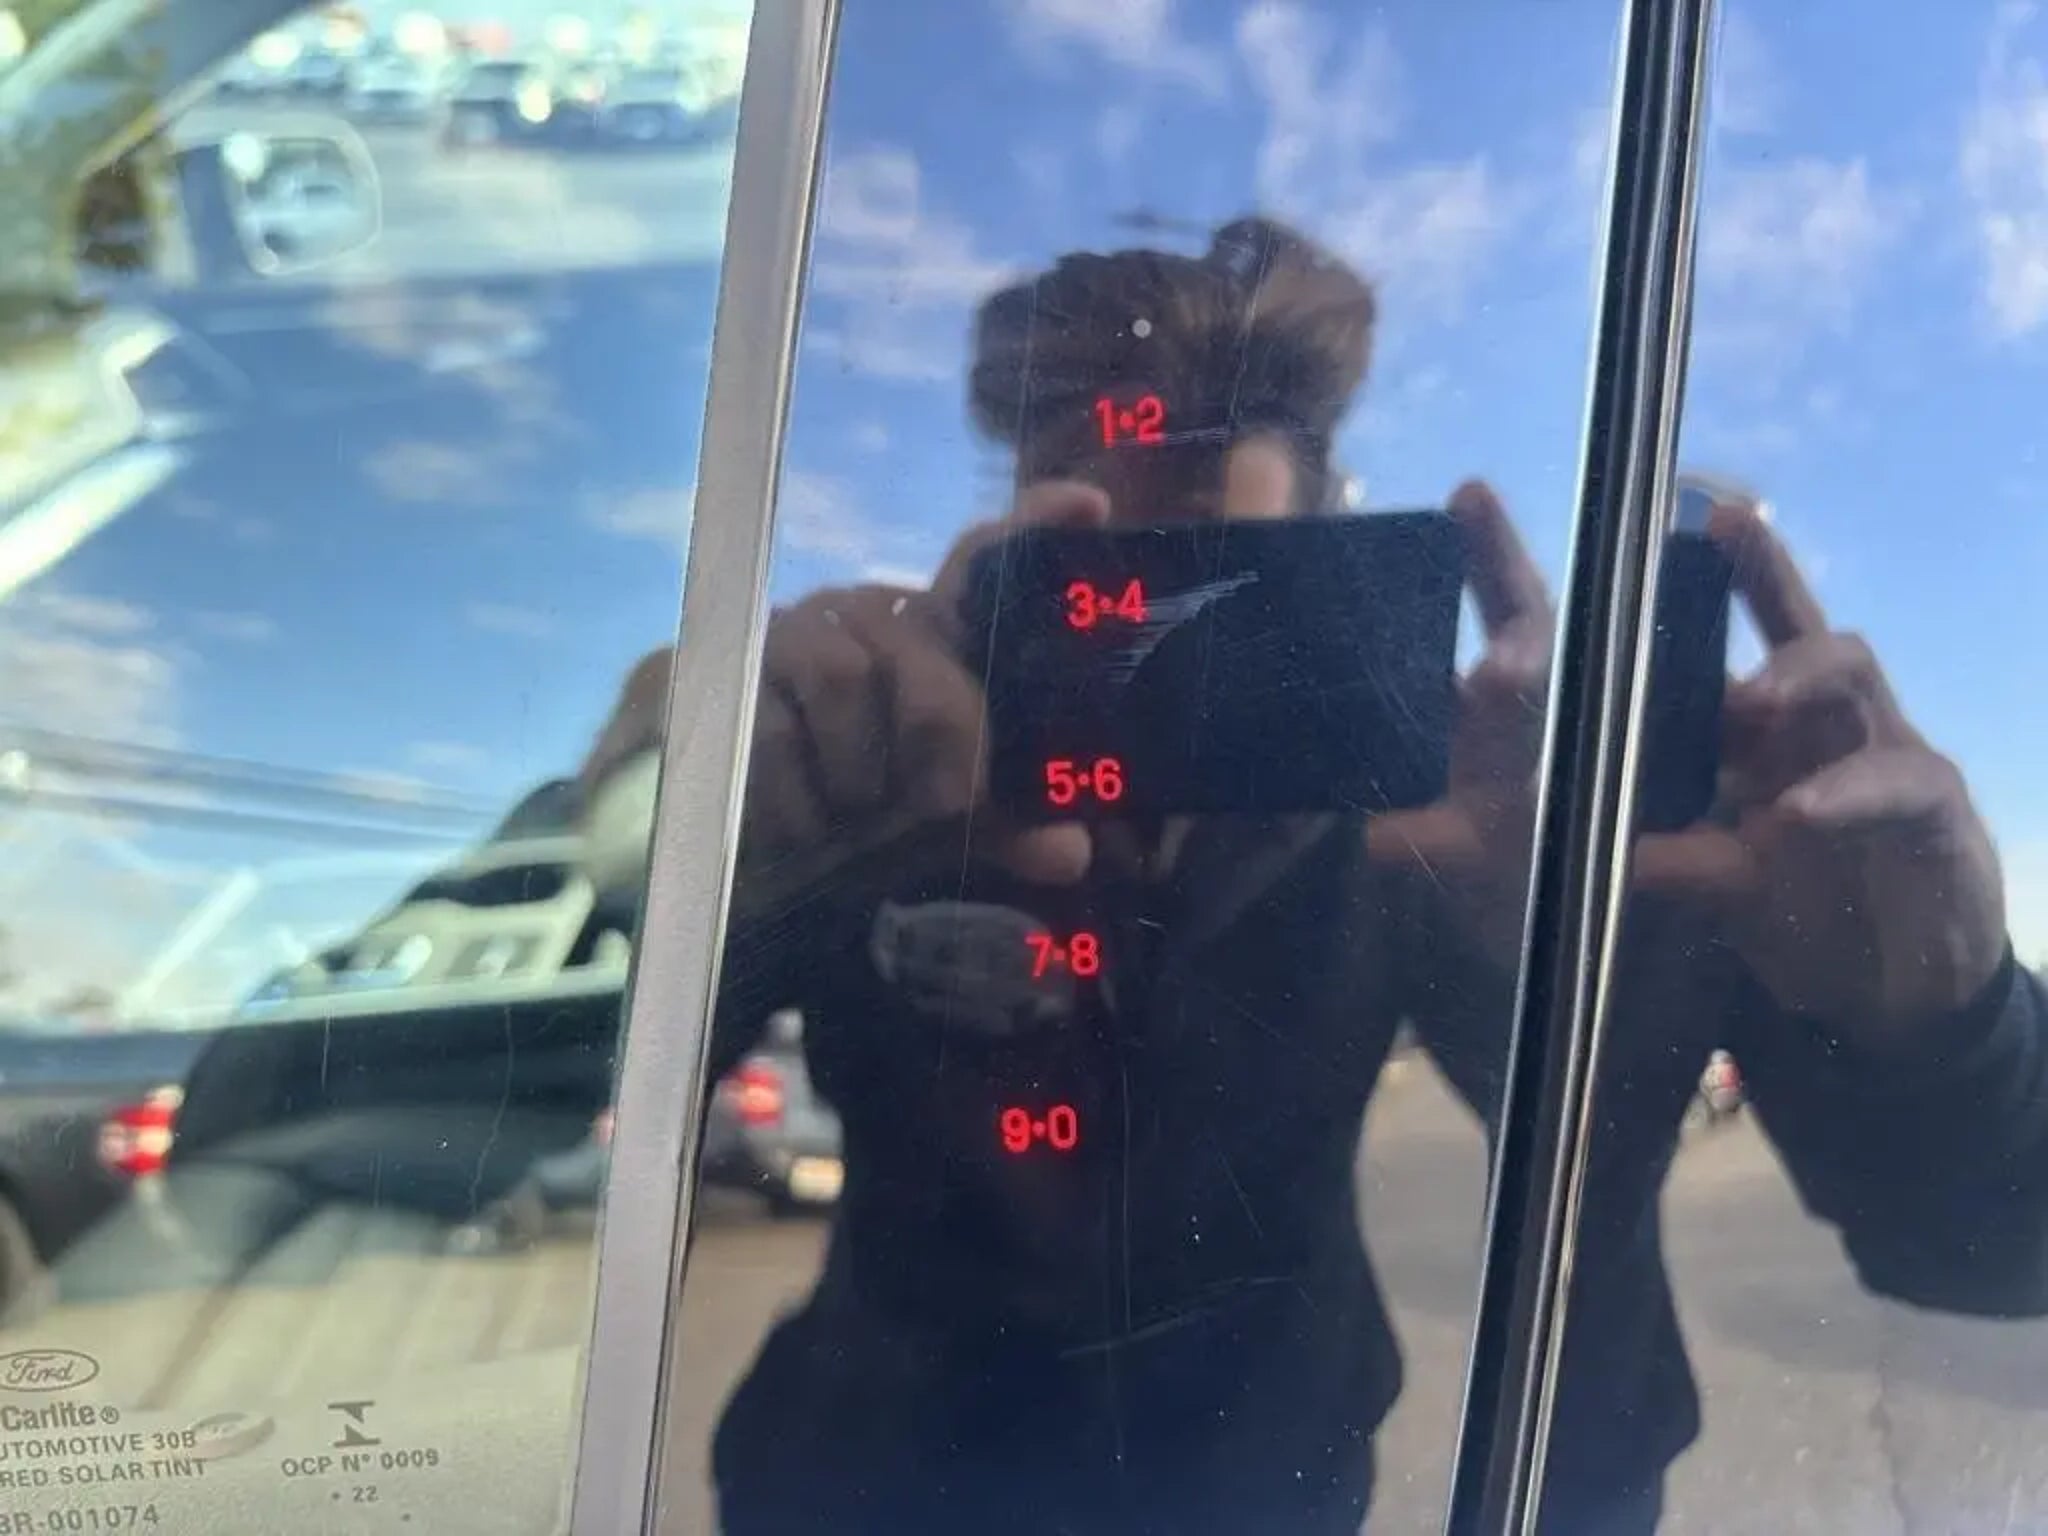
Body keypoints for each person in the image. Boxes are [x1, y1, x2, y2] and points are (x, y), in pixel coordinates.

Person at [580, 218, 2047, 1533]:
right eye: (1079, 561)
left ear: (1327, 540)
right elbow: (537, 1117)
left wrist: (1943, 1017)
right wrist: (668, 851)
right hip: (863, 1493)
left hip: (1245, 1494)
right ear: (1003, 530)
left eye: (1211, 565)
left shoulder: (1434, 819)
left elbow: (1992, 1252)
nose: (1138, 616)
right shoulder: (871, 771)